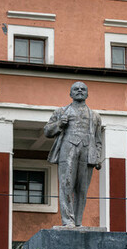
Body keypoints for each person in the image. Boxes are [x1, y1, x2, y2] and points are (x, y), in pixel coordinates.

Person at [44, 81, 103, 227]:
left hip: (87, 151)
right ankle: (67, 221)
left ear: (87, 94)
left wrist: (98, 156)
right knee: (66, 185)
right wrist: (59, 124)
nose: (79, 91)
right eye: (76, 89)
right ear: (70, 94)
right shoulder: (61, 112)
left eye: (83, 89)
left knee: (82, 189)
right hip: (67, 149)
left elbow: (98, 140)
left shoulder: (95, 116)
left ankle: (77, 222)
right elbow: (47, 131)